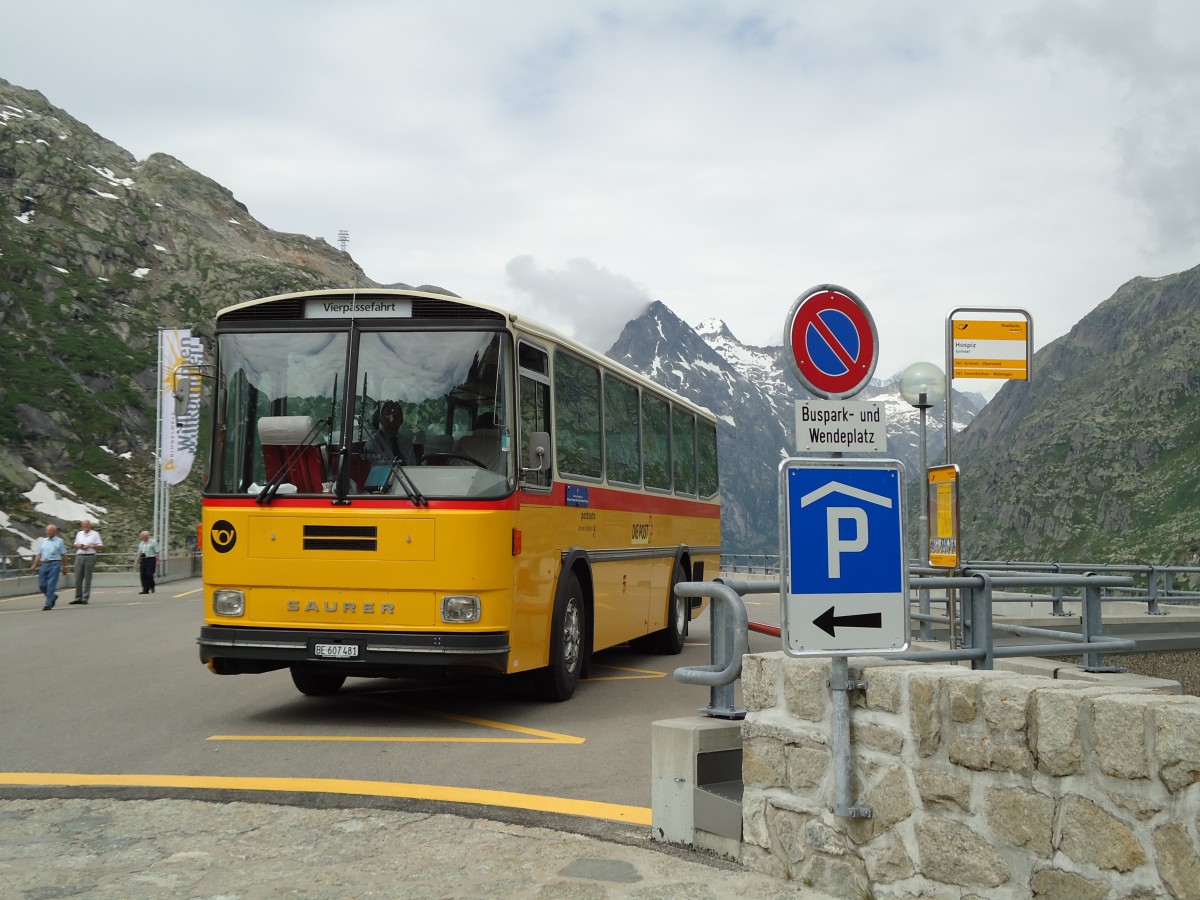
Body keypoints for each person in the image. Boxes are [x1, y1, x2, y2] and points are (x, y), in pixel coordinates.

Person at [31, 523, 67, 610]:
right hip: (44, 564)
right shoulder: (44, 541)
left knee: (51, 584)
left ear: (54, 531)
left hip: (55, 563)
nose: (48, 532)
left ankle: (48, 604)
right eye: (47, 530)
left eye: (50, 530)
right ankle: (52, 596)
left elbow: (63, 555)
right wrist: (35, 564)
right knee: (42, 585)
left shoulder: (59, 541)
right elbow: (39, 553)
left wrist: (65, 567)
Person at [70, 519, 103, 605]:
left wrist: (90, 546)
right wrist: (79, 545)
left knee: (87, 577)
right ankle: (78, 597)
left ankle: (85, 597)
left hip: (90, 556)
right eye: (84, 525)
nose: (85, 527)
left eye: (87, 525)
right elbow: (75, 544)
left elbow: (100, 546)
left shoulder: (95, 534)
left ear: (90, 525)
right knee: (78, 577)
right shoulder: (79, 533)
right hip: (80, 556)